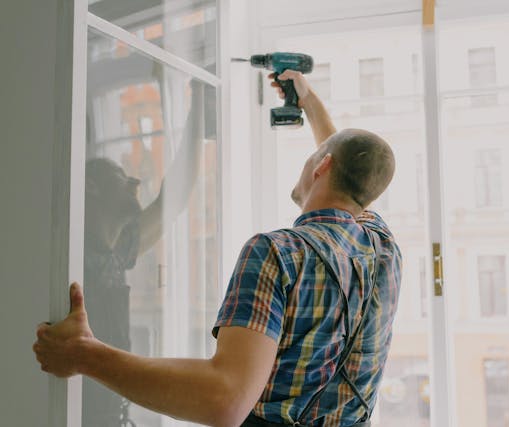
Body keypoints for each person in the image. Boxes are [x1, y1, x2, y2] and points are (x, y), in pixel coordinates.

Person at [33, 70, 402, 427]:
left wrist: (83, 354)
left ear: (322, 166)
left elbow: (225, 400)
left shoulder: (278, 254)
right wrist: (307, 101)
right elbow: (355, 177)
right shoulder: (383, 249)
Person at [82, 78, 204, 426]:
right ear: (91, 188)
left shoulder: (117, 251)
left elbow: (174, 198)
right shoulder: (71, 257)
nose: (135, 182)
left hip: (110, 414)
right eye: (121, 176)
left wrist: (197, 109)